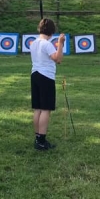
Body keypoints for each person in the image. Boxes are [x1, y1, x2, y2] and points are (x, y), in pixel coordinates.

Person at [30, 19, 65, 150]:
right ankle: (42, 140)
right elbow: (58, 59)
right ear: (51, 32)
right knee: (46, 109)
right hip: (46, 76)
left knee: (38, 108)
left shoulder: (33, 43)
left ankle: (38, 138)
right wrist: (60, 43)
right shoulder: (47, 44)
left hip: (35, 75)